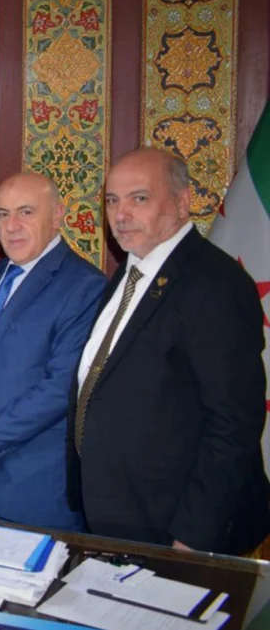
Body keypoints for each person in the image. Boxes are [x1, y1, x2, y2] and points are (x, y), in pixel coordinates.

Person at [68, 148, 270, 554]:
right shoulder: (129, 273)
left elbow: (234, 423)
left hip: (176, 527)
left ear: (182, 202)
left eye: (139, 198)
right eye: (113, 200)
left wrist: (194, 533)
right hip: (116, 512)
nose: (121, 214)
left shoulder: (217, 284)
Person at [0, 172, 104, 531]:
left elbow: (60, 387)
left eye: (26, 212)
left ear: (58, 214)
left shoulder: (85, 286)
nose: (11, 226)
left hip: (37, 483)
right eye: (3, 214)